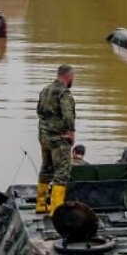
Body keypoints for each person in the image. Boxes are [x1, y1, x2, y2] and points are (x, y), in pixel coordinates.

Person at [35, 64, 76, 214]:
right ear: (68, 76)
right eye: (73, 77)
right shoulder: (64, 93)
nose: (73, 80)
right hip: (59, 138)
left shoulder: (45, 90)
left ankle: (40, 205)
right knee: (61, 172)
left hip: (44, 136)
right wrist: (70, 133)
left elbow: (39, 111)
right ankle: (56, 209)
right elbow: (68, 115)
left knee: (46, 168)